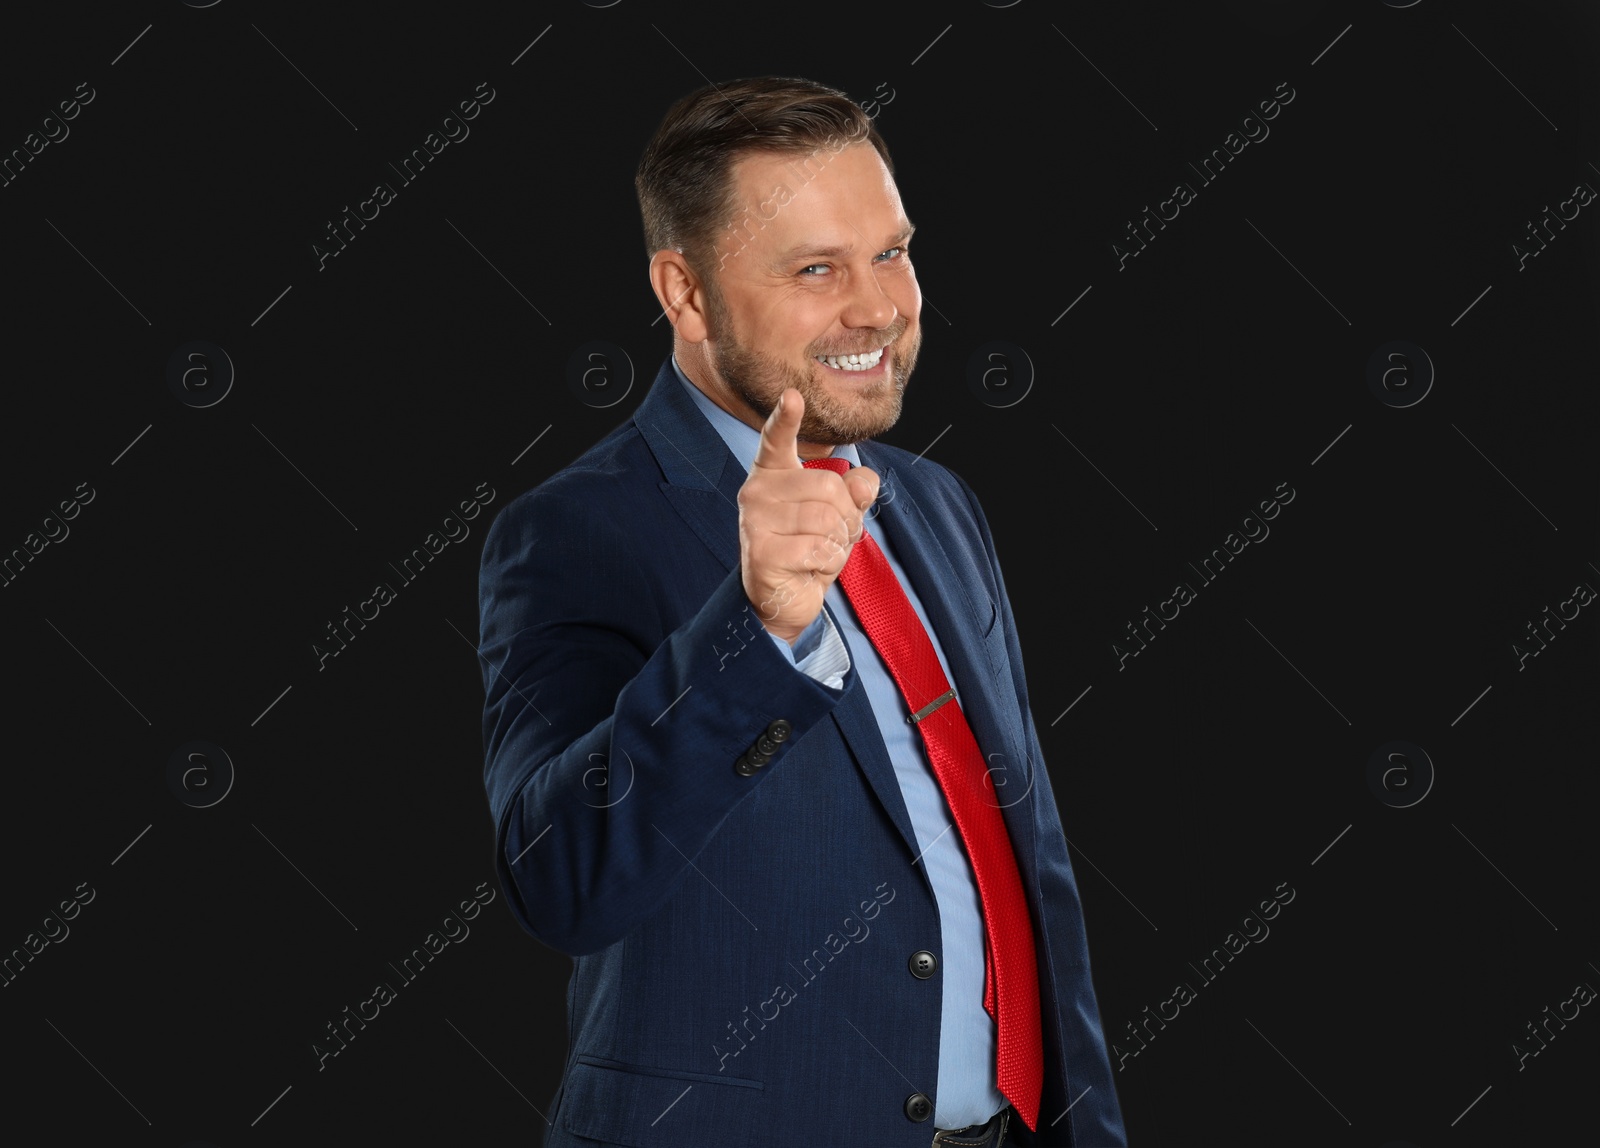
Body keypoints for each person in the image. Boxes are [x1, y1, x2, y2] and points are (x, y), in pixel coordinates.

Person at [478, 76, 1126, 1147]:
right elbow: (560, 878)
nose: (876, 306)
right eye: (816, 268)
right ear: (685, 295)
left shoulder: (937, 503)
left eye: (892, 251)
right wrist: (758, 629)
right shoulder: (577, 531)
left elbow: (1026, 863)